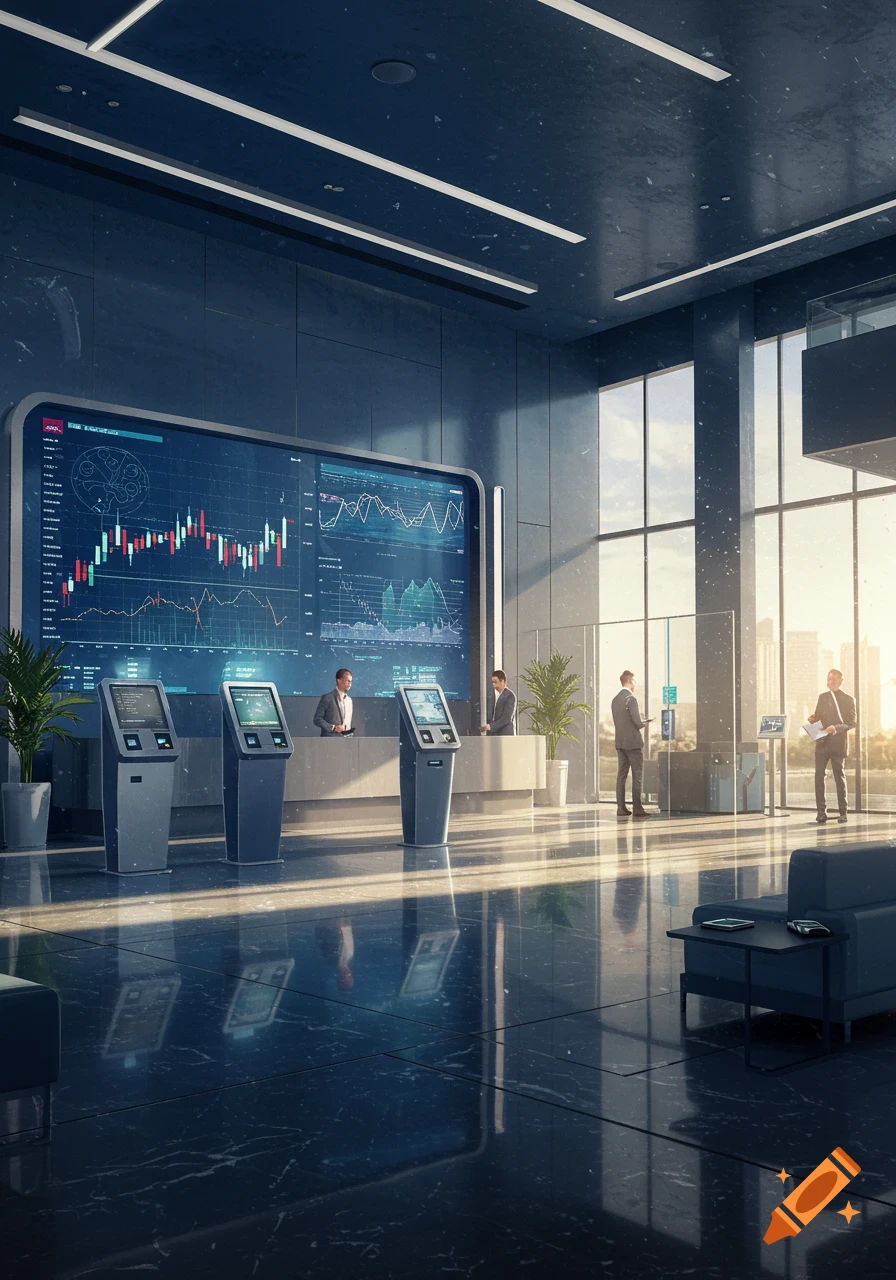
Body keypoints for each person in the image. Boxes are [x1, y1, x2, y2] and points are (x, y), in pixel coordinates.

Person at [808, 668, 856, 824]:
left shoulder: (849, 699)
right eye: (829, 679)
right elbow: (818, 717)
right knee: (818, 778)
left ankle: (843, 813)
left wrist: (836, 728)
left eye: (835, 679)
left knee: (839, 777)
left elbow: (852, 723)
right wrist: (813, 719)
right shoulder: (822, 697)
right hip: (822, 742)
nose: (831, 681)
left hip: (838, 743)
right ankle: (821, 812)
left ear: (841, 680)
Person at [611, 670, 654, 819]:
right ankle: (637, 808)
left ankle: (621, 808)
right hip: (633, 743)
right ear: (629, 681)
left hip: (620, 742)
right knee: (637, 775)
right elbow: (636, 722)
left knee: (621, 775)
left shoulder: (615, 699)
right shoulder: (631, 699)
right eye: (634, 681)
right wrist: (644, 722)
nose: (636, 684)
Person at [313, 668, 354, 737]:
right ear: (339, 681)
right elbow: (317, 719)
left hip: (346, 742)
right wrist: (333, 728)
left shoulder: (349, 701)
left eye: (351, 681)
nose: (350, 683)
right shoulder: (327, 698)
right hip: (330, 742)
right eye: (348, 681)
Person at [480, 670, 516, 735]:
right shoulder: (491, 695)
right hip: (493, 733)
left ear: (502, 681)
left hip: (504, 733)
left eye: (495, 682)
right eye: (493, 682)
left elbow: (506, 717)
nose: (494, 685)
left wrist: (491, 726)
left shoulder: (510, 695)